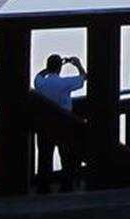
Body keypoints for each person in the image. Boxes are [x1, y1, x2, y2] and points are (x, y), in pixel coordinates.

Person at [32, 53, 88, 191]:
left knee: (44, 156)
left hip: (44, 123)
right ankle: (67, 185)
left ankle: (43, 187)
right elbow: (83, 77)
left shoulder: (41, 83)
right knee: (66, 156)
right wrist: (77, 64)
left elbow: (38, 76)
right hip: (64, 122)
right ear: (59, 68)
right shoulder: (65, 83)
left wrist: (48, 68)